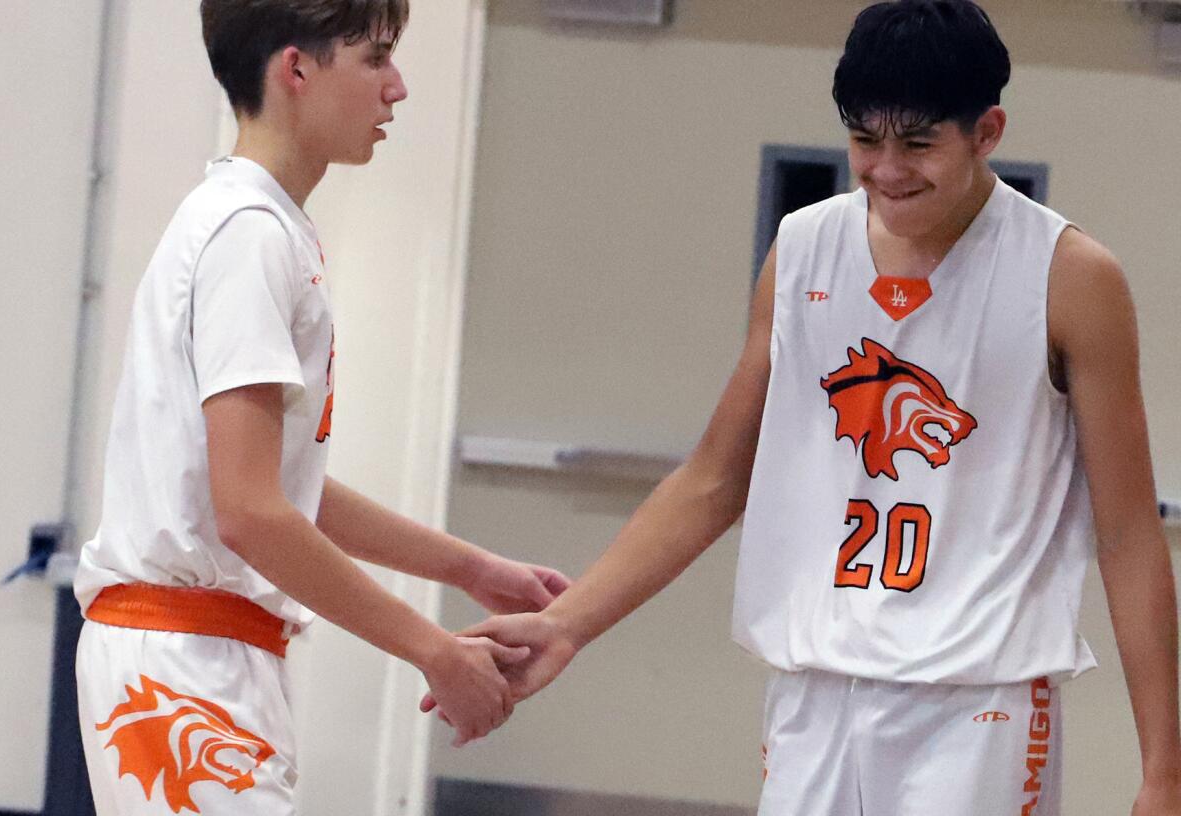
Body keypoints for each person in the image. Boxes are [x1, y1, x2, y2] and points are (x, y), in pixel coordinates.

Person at [424, 2, 1181, 814]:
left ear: (986, 131)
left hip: (978, 702)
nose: (886, 168)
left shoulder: (1070, 276)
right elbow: (714, 479)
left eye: (918, 143)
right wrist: (568, 624)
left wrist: (1164, 771)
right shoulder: (804, 248)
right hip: (814, 696)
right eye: (865, 140)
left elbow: (1128, 532)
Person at [72, 2, 569, 813]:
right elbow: (253, 514)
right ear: (296, 71)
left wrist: (469, 568)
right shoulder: (248, 237)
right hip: (181, 658)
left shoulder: (262, 226)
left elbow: (280, 489)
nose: (398, 88)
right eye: (376, 59)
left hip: (202, 651)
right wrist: (434, 652)